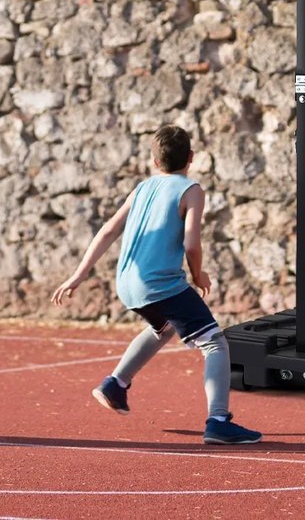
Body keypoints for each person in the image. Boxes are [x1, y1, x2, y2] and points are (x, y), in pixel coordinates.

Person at [51, 124, 261, 445]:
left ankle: (116, 384)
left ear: (154, 161)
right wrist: (198, 275)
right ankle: (218, 421)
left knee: (163, 327)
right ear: (191, 157)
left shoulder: (142, 188)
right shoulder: (191, 190)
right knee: (215, 343)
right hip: (160, 284)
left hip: (127, 283)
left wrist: (78, 275)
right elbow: (192, 244)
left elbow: (108, 230)